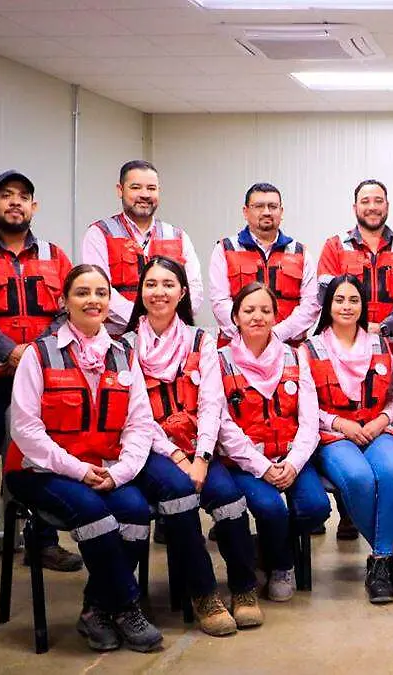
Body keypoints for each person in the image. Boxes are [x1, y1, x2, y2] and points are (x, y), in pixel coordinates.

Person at [6, 264, 214, 651]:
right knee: (97, 516)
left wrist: (119, 474)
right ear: (64, 301)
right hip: (40, 470)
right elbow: (26, 431)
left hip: (105, 467)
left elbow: (138, 424)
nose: (93, 300)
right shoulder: (40, 354)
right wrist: (80, 471)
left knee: (134, 511)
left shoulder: (122, 354)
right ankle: (126, 606)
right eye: (82, 293)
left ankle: (95, 610)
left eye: (101, 293)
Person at [0, 170, 82, 591]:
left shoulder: (55, 255)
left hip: (41, 379)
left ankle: (41, 541)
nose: (15, 203)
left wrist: (35, 353)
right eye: (5, 196)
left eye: (23, 197)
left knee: (37, 459)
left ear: (34, 206)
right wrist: (9, 350)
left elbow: (66, 312)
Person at [123, 256, 263, 631]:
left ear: (182, 292)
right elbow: (135, 416)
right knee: (180, 497)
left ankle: (244, 588)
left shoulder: (202, 340)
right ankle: (203, 594)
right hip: (151, 450)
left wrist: (201, 456)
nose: (159, 292)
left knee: (231, 501)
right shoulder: (126, 346)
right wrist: (176, 457)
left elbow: (212, 404)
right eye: (151, 284)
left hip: (198, 446)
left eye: (168, 284)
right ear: (141, 291)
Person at [217, 283, 331, 603]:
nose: (257, 317)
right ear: (235, 317)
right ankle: (282, 564)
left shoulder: (295, 356)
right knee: (270, 508)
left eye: (265, 310)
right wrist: (263, 467)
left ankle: (270, 546)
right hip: (246, 463)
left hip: (292, 457)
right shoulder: (220, 360)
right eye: (249, 310)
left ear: (275, 316)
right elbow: (224, 427)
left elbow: (310, 421)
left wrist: (293, 464)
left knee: (317, 507)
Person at [305, 274, 393, 604]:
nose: (347, 306)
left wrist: (382, 419)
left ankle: (378, 561)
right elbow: (306, 407)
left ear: (363, 306)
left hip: (378, 428)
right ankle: (386, 560)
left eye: (354, 300)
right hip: (334, 434)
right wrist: (341, 423)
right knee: (358, 477)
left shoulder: (381, 343)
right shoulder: (310, 349)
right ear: (328, 305)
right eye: (339, 300)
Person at [81, 160, 203, 333]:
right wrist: (145, 321)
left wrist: (165, 321)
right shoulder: (99, 233)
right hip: (117, 341)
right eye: (136, 187)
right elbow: (100, 288)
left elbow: (194, 288)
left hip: (171, 339)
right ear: (120, 190)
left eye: (151, 188)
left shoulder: (178, 236)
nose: (144, 194)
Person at [317, 179, 393, 344]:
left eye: (378, 201)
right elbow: (326, 296)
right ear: (355, 208)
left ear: (387, 206)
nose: (372, 207)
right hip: (349, 346)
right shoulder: (334, 246)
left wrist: (385, 326)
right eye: (365, 201)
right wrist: (360, 326)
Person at [208, 182, 319, 348]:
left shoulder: (300, 253)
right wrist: (248, 335)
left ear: (281, 212)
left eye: (272, 206)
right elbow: (220, 301)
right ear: (245, 212)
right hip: (236, 350)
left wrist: (276, 335)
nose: (266, 212)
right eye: (259, 206)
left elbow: (311, 305)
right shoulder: (224, 250)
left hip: (289, 349)